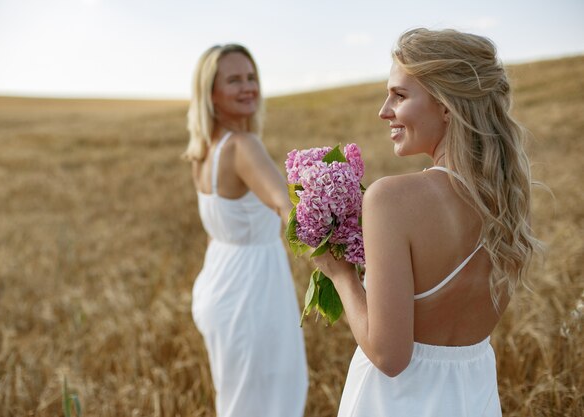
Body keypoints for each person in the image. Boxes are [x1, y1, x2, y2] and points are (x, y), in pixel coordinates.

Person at [312, 28, 542, 416]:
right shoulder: (506, 201)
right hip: (474, 396)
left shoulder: (390, 200)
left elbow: (390, 356)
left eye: (399, 96)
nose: (384, 110)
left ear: (447, 105)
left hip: (395, 402)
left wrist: (340, 275)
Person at [183, 44, 308, 417]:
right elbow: (288, 209)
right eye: (234, 80)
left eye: (251, 77)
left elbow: (216, 227)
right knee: (270, 403)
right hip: (253, 294)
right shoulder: (242, 145)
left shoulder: (204, 150)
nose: (248, 87)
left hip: (217, 286)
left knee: (238, 402)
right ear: (211, 94)